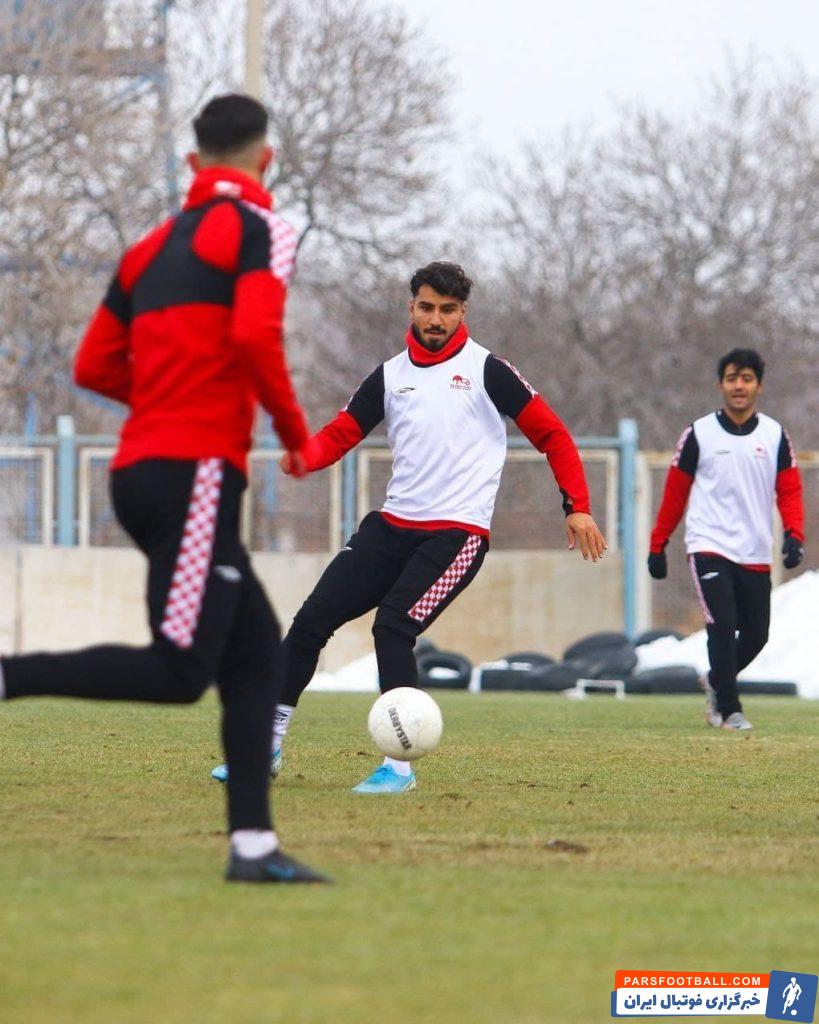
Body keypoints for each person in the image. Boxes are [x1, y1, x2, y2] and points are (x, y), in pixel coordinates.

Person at [0, 94, 328, 883]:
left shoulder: (144, 251)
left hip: (145, 472)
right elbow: (254, 333)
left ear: (192, 161)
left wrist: (162, 398)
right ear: (265, 160)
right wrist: (293, 434)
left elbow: (92, 366)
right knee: (181, 672)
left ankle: (253, 848)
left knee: (256, 656)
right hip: (195, 473)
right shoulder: (263, 229)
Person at [212, 260, 607, 793]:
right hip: (392, 527)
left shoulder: (489, 370)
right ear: (411, 307)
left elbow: (554, 436)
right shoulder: (390, 375)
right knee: (309, 624)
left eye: (447, 309)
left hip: (458, 535)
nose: (435, 319)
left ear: (463, 311)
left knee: (393, 628)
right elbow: (343, 431)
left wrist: (576, 506)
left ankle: (398, 768)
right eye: (426, 307)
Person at [647, 348, 804, 731]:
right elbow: (675, 493)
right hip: (709, 544)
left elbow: (789, 490)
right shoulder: (699, 433)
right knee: (722, 623)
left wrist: (794, 534)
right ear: (721, 384)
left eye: (747, 379)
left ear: (759, 386)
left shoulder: (774, 435)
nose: (739, 386)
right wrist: (658, 544)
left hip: (755, 551)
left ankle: (717, 678)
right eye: (732, 378)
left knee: (757, 635)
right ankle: (729, 710)